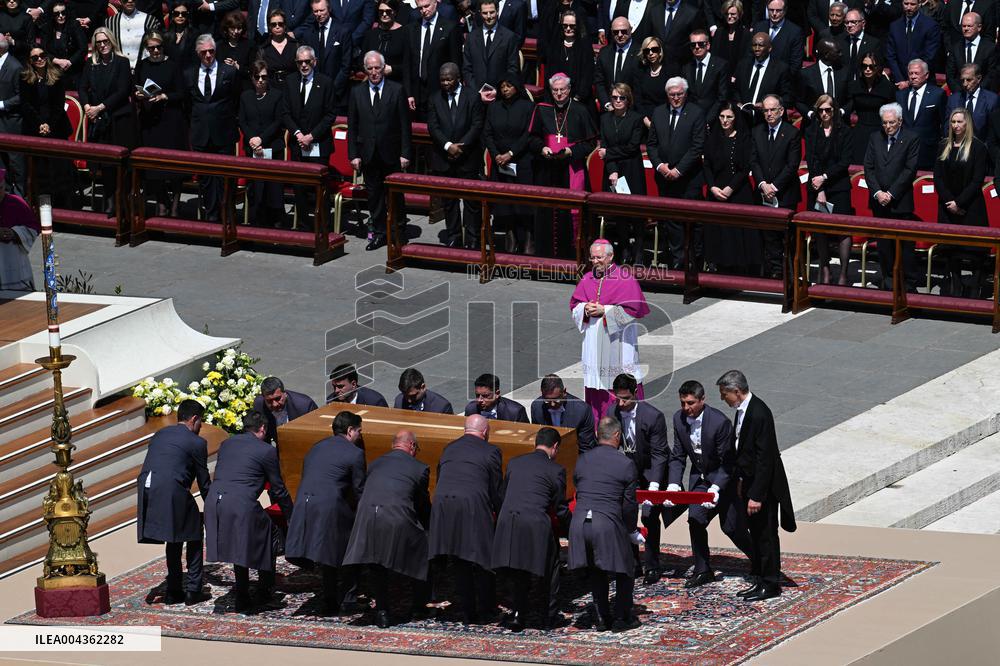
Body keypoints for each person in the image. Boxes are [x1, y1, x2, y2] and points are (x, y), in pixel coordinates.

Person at [716, 370, 795, 602]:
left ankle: (771, 583)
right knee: (757, 532)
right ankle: (761, 577)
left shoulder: (759, 413)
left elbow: (765, 459)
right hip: (749, 483)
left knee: (766, 535)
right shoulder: (742, 411)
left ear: (736, 391)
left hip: (764, 488)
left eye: (724, 394)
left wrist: (757, 495)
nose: (722, 398)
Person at [666, 380, 753, 588]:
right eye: (683, 403)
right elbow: (678, 455)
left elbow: (727, 462)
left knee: (732, 528)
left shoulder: (719, 423)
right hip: (701, 479)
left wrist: (716, 488)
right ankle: (703, 569)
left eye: (691, 403)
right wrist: (673, 484)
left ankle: (760, 561)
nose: (686, 408)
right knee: (695, 519)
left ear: (702, 400)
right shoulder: (678, 419)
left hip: (724, 482)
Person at [204, 410, 294, 612]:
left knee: (240, 544)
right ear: (263, 428)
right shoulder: (266, 451)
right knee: (271, 534)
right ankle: (264, 589)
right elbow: (278, 489)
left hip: (214, 500)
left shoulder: (227, 444)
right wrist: (291, 516)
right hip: (240, 503)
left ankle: (242, 594)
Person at [343, 429, 431, 628]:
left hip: (367, 518)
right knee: (422, 549)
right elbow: (422, 504)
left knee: (377, 564)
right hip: (396, 517)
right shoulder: (420, 468)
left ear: (393, 445)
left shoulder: (376, 463)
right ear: (412, 446)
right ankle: (419, 606)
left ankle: (382, 611)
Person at [284, 410, 366, 614]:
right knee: (351, 548)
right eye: (359, 431)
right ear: (350, 430)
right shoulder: (355, 454)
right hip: (330, 505)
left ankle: (329, 600)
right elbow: (359, 491)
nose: (360, 436)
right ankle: (349, 600)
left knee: (328, 554)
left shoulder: (316, 447)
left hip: (305, 501)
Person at [492, 427, 570, 631]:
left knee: (519, 569)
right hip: (535, 522)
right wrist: (570, 530)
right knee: (551, 567)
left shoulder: (515, 462)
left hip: (509, 521)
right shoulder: (556, 470)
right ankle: (549, 616)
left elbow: (503, 495)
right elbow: (560, 508)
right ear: (555, 447)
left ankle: (519, 614)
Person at [136, 399, 212, 606]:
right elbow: (204, 482)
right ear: (194, 419)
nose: (201, 427)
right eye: (201, 422)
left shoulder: (160, 434)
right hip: (171, 488)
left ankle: (173, 590)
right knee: (194, 531)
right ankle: (194, 590)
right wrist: (214, 509)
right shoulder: (197, 443)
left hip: (148, 487)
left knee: (174, 536)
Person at [568, 416, 640, 632]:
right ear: (617, 435)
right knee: (626, 567)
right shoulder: (625, 464)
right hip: (607, 522)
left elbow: (578, 487)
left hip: (579, 523)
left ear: (597, 435)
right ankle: (622, 617)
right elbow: (629, 505)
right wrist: (631, 531)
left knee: (596, 569)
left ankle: (601, 616)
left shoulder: (583, 460)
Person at [429, 414, 502, 624]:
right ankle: (487, 608)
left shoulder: (449, 448)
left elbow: (441, 476)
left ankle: (468, 609)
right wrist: (500, 515)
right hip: (472, 504)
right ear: (485, 432)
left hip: (444, 504)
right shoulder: (491, 451)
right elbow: (496, 489)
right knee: (484, 559)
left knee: (459, 558)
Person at [570, 239, 650, 422]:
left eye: (599, 257)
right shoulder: (587, 278)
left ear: (611, 256)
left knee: (617, 385)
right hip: (593, 344)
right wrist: (584, 308)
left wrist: (605, 311)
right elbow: (574, 305)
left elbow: (633, 311)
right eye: (592, 258)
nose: (595, 261)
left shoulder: (625, 280)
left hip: (618, 344)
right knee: (595, 388)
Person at [606, 373, 668, 583]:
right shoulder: (612, 412)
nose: (621, 403)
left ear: (635, 393)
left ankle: (652, 565)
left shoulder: (653, 416)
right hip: (627, 471)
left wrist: (654, 485)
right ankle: (632, 562)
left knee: (649, 516)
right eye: (618, 398)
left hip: (650, 471)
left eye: (626, 398)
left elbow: (659, 454)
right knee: (625, 514)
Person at [348, 50, 412, 252]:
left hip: (391, 152)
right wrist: (353, 154)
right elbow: (353, 126)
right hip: (369, 153)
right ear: (365, 70)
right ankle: (379, 233)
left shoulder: (397, 90)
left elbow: (405, 125)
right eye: (370, 68)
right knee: (374, 196)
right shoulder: (357, 92)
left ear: (384, 69)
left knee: (395, 196)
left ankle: (399, 231)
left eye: (377, 68)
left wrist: (405, 153)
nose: (374, 72)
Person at [530, 72, 596, 258]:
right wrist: (542, 148)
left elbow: (590, 142)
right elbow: (532, 138)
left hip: (571, 169)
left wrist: (571, 151)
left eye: (562, 90)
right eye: (555, 90)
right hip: (547, 170)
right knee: (546, 214)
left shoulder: (580, 110)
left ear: (569, 89)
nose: (559, 94)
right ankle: (545, 256)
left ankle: (571, 256)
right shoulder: (542, 109)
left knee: (571, 214)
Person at [647, 76, 706, 270]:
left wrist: (679, 170)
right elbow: (651, 144)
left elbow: (697, 147)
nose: (676, 98)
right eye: (672, 94)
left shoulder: (696, 113)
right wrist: (660, 166)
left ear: (685, 94)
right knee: (671, 222)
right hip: (665, 179)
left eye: (679, 94)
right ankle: (678, 261)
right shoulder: (658, 112)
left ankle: (695, 262)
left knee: (692, 221)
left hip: (689, 179)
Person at [426, 61, 484, 249]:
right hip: (444, 157)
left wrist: (461, 147)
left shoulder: (472, 96)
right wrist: (448, 146)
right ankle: (454, 236)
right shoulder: (435, 98)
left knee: (471, 201)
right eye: (442, 80)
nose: (445, 83)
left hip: (468, 157)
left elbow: (477, 124)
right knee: (449, 201)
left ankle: (473, 238)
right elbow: (433, 127)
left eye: (449, 79)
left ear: (458, 78)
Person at [864, 101, 920, 291]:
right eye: (885, 123)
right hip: (879, 202)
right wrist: (878, 192)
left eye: (891, 122)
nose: (888, 126)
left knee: (905, 246)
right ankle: (888, 282)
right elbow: (868, 168)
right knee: (884, 245)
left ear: (900, 121)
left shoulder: (911, 138)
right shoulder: (875, 137)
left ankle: (908, 284)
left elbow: (910, 169)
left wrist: (891, 193)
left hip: (900, 201)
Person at [935, 107, 989, 298]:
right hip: (947, 206)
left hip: (971, 206)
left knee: (974, 249)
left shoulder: (978, 147)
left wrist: (959, 203)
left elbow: (977, 180)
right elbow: (938, 177)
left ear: (967, 124)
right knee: (951, 249)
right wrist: (950, 201)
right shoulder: (944, 145)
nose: (956, 125)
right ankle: (955, 284)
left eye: (960, 122)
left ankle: (975, 285)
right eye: (953, 122)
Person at [78, 28, 134, 214]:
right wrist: (87, 107)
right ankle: (109, 201)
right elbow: (82, 87)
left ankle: (122, 203)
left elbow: (123, 91)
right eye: (99, 42)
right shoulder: (91, 63)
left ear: (112, 41)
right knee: (105, 164)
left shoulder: (122, 62)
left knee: (120, 165)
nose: (102, 45)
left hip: (119, 120)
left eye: (105, 41)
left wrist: (100, 107)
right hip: (99, 121)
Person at [134, 32, 188, 219]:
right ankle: (162, 202)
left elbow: (182, 93)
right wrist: (139, 95)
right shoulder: (143, 65)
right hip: (151, 120)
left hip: (171, 119)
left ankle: (175, 205)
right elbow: (136, 87)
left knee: (174, 166)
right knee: (154, 166)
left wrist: (165, 96)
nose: (155, 51)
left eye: (158, 47)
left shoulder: (173, 65)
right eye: (151, 48)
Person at [703, 101, 760, 274]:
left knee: (737, 233)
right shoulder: (713, 137)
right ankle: (717, 268)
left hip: (738, 192)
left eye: (729, 117)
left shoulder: (743, 138)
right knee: (717, 232)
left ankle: (739, 272)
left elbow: (745, 168)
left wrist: (730, 188)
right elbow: (707, 165)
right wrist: (712, 187)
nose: (725, 120)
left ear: (735, 118)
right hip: (716, 191)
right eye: (722, 116)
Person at [186, 34, 239, 223]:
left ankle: (227, 213)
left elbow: (236, 99)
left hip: (224, 132)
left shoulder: (229, 72)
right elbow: (188, 104)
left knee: (225, 177)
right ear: (197, 53)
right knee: (206, 178)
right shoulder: (190, 73)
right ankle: (211, 215)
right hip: (201, 133)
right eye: (204, 52)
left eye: (211, 51)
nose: (208, 55)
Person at [482, 73, 537, 254]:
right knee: (504, 202)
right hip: (500, 163)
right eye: (502, 86)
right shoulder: (494, 107)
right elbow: (487, 133)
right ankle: (510, 234)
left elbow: (528, 135)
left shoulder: (528, 107)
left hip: (521, 161)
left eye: (509, 86)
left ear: (517, 87)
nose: (505, 89)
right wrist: (496, 155)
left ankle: (528, 237)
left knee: (524, 201)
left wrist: (511, 153)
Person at [284, 44, 336, 228]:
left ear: (314, 62)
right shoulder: (290, 81)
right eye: (300, 62)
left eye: (307, 61)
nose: (304, 65)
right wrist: (298, 134)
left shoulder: (326, 82)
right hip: (298, 143)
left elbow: (330, 114)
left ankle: (322, 225)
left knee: (319, 186)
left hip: (318, 144)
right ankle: (304, 225)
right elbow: (285, 113)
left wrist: (311, 136)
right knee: (299, 187)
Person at [805, 94, 854, 285]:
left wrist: (824, 178)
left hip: (839, 185)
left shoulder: (845, 131)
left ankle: (843, 273)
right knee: (820, 230)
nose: (824, 113)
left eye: (828, 110)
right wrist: (819, 189)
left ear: (834, 111)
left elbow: (844, 162)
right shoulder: (811, 131)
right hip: (817, 186)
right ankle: (825, 269)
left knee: (843, 229)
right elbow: (812, 160)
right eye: (821, 110)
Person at [750, 94, 801, 279]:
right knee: (768, 234)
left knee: (787, 236)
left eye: (773, 110)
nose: (769, 113)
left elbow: (792, 165)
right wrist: (763, 184)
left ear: (781, 111)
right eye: (766, 110)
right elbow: (753, 161)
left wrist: (774, 186)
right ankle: (774, 271)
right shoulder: (757, 131)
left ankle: (790, 272)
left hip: (785, 193)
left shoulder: (792, 133)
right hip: (763, 192)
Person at [598, 82, 646, 264]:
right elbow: (604, 146)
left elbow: (632, 147)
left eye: (622, 97)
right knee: (620, 213)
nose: (618, 101)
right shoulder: (605, 119)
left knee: (636, 212)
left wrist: (609, 153)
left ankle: (639, 251)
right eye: (614, 97)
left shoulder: (636, 119)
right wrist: (613, 171)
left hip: (632, 170)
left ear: (628, 100)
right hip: (613, 171)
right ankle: (624, 249)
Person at [238, 59, 288, 227]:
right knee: (255, 188)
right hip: (253, 147)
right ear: (252, 78)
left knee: (273, 189)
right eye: (257, 77)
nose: (260, 80)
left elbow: (278, 121)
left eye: (264, 77)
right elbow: (242, 121)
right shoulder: (245, 96)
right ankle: (256, 222)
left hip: (272, 147)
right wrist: (252, 139)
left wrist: (261, 139)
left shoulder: (277, 95)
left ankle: (276, 222)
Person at [20, 46, 72, 206]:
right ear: (30, 61)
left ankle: (61, 205)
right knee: (38, 170)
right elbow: (26, 105)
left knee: (58, 170)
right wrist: (40, 124)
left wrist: (48, 125)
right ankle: (40, 205)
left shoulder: (57, 76)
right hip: (34, 128)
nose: (39, 59)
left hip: (57, 127)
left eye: (42, 55)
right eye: (35, 58)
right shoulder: (24, 78)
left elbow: (58, 105)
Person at [404, 0, 461, 120]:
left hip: (441, 92)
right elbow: (407, 64)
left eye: (427, 6)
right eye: (420, 8)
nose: (424, 11)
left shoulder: (450, 27)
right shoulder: (411, 29)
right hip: (417, 93)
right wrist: (409, 94)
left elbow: (455, 62)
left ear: (435, 3)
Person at [299, 0, 349, 115]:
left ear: (329, 9)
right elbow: (306, 64)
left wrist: (331, 89)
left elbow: (346, 66)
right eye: (315, 11)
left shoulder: (343, 31)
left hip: (337, 94)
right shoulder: (308, 33)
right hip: (314, 94)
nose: (319, 14)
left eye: (322, 10)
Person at [844, 51, 895, 163]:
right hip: (859, 130)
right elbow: (849, 106)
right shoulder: (854, 85)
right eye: (864, 66)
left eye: (871, 66)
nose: (867, 69)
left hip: (880, 131)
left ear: (878, 68)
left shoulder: (887, 87)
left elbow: (892, 112)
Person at [896, 58, 947, 170]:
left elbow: (944, 123)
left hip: (928, 152)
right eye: (911, 73)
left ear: (926, 75)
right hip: (903, 152)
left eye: (916, 73)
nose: (913, 76)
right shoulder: (900, 95)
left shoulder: (937, 94)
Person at [540, 10, 595, 111]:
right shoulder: (555, 45)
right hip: (556, 96)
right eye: (565, 26)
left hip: (578, 99)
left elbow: (587, 76)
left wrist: (577, 98)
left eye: (572, 26)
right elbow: (549, 73)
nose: (568, 29)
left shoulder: (585, 46)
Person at [462, 0, 519, 97]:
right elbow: (466, 69)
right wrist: (478, 92)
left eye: (492, 12)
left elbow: (513, 68)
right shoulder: (471, 38)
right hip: (476, 96)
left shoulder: (509, 37)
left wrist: (499, 91)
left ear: (497, 11)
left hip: (501, 97)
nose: (489, 16)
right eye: (485, 13)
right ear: (480, 13)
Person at [733, 32, 793, 125]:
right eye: (754, 45)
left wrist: (766, 105)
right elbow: (735, 90)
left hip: (766, 122)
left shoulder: (781, 69)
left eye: (761, 45)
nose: (757, 48)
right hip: (743, 120)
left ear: (769, 48)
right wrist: (738, 103)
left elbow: (787, 97)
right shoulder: (743, 65)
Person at [529, 373, 597, 452]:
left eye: (556, 400)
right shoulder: (537, 408)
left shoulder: (582, 410)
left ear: (564, 392)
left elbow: (586, 447)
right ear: (542, 393)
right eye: (547, 400)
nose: (552, 404)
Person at [886, 0, 940, 87]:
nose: (908, 7)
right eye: (906, 4)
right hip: (899, 83)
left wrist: (909, 82)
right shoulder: (894, 26)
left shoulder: (930, 26)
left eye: (912, 4)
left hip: (923, 83)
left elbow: (929, 57)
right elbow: (891, 56)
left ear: (919, 4)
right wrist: (900, 80)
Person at [252, 375, 319, 446]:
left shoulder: (304, 405)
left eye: (278, 399)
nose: (274, 404)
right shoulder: (259, 405)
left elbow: (318, 432)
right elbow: (262, 437)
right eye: (269, 401)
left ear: (285, 394)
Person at [683, 28, 731, 123]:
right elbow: (686, 96)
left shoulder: (720, 65)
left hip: (713, 120)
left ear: (708, 45)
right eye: (693, 45)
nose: (697, 47)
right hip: (692, 119)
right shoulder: (686, 68)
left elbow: (722, 97)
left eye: (701, 44)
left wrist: (707, 120)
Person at [0, 169, 37, 290]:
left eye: (0, 188)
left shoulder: (17, 203)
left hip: (15, 262)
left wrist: (15, 233)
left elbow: (33, 229)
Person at [594, 17, 640, 113]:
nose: (619, 35)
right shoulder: (604, 52)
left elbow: (641, 85)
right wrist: (607, 104)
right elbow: (599, 82)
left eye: (623, 31)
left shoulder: (640, 53)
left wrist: (630, 107)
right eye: (616, 32)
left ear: (631, 30)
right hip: (609, 111)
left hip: (632, 111)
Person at [795, 37, 849, 119]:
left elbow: (851, 98)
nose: (841, 54)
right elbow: (798, 101)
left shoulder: (844, 72)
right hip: (814, 123)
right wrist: (811, 114)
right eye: (837, 52)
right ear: (826, 55)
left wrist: (841, 112)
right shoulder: (806, 74)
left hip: (839, 122)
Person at [945, 11, 996, 96]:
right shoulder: (955, 48)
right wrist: (960, 93)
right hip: (960, 95)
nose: (966, 29)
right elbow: (950, 74)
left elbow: (992, 74)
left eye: (969, 26)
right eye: (964, 26)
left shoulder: (990, 48)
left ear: (979, 27)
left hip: (982, 95)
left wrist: (978, 93)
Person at [38, 2, 86, 90]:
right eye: (57, 14)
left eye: (63, 13)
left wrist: (69, 62)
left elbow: (83, 48)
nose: (60, 16)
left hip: (73, 67)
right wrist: (57, 61)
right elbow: (43, 51)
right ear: (52, 15)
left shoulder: (74, 25)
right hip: (53, 68)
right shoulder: (46, 28)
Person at [358, 0, 407, 84]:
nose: (384, 14)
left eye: (388, 11)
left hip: (397, 83)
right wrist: (372, 70)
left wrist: (393, 69)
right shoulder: (370, 34)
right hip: (374, 82)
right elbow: (361, 61)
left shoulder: (405, 33)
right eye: (381, 11)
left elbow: (410, 63)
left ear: (394, 12)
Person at [649, 0, 706, 69]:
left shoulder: (692, 12)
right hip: (657, 66)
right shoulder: (654, 10)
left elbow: (698, 39)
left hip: (682, 66)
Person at [106, 0, 162, 69]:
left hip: (144, 68)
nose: (130, 1)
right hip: (119, 69)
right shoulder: (110, 22)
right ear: (120, 1)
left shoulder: (150, 20)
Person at [945, 63, 997, 137]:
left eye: (969, 80)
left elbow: (993, 132)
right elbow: (947, 128)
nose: (965, 84)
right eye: (962, 80)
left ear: (979, 78)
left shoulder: (991, 100)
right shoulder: (953, 99)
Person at [836, 8, 884, 81]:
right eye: (847, 22)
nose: (849, 25)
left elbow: (877, 67)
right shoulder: (840, 42)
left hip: (864, 83)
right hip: (843, 84)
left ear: (863, 23)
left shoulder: (873, 43)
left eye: (853, 22)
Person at [257, 9, 298, 87]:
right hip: (271, 87)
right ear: (269, 27)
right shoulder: (263, 48)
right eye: (273, 24)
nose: (277, 27)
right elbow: (259, 71)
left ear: (285, 25)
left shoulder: (295, 45)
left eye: (280, 24)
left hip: (292, 86)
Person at [632, 36, 667, 127]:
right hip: (646, 120)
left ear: (660, 51)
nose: (651, 53)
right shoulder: (640, 72)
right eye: (647, 51)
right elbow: (638, 100)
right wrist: (646, 121)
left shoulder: (670, 71)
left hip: (666, 118)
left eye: (654, 49)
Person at [464, 372, 528, 421]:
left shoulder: (515, 412)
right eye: (477, 395)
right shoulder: (471, 409)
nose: (479, 400)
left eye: (485, 396)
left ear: (497, 394)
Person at [217, 11, 253, 89]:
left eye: (239, 28)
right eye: (232, 28)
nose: (236, 32)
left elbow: (253, 70)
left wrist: (237, 66)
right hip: (223, 87)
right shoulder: (219, 46)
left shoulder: (249, 45)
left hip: (243, 86)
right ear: (227, 28)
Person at [711, 0, 751, 66]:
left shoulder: (746, 34)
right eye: (727, 14)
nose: (729, 16)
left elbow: (747, 58)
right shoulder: (719, 33)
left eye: (733, 14)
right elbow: (714, 56)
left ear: (739, 14)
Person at [164, 1, 198, 72]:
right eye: (176, 13)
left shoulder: (195, 34)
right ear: (172, 15)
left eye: (184, 14)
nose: (180, 16)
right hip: (170, 72)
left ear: (188, 15)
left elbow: (195, 60)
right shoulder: (165, 35)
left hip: (188, 73)